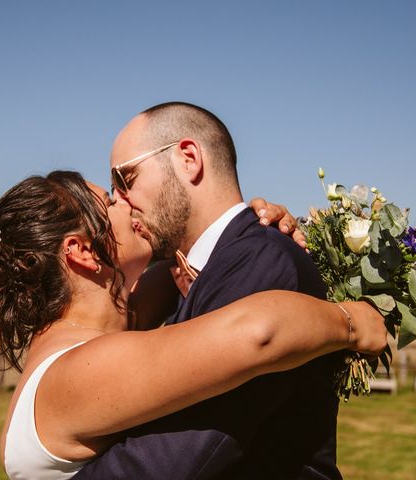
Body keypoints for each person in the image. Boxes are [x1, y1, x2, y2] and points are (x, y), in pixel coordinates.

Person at [0, 170, 387, 480]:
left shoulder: (99, 328)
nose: (126, 202)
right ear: (80, 251)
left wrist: (249, 226)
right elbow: (257, 333)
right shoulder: (77, 371)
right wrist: (349, 323)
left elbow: (186, 257)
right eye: (110, 203)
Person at [73, 102, 345, 479]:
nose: (120, 200)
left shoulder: (262, 262)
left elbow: (178, 453)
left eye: (125, 178)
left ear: (188, 158)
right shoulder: (191, 273)